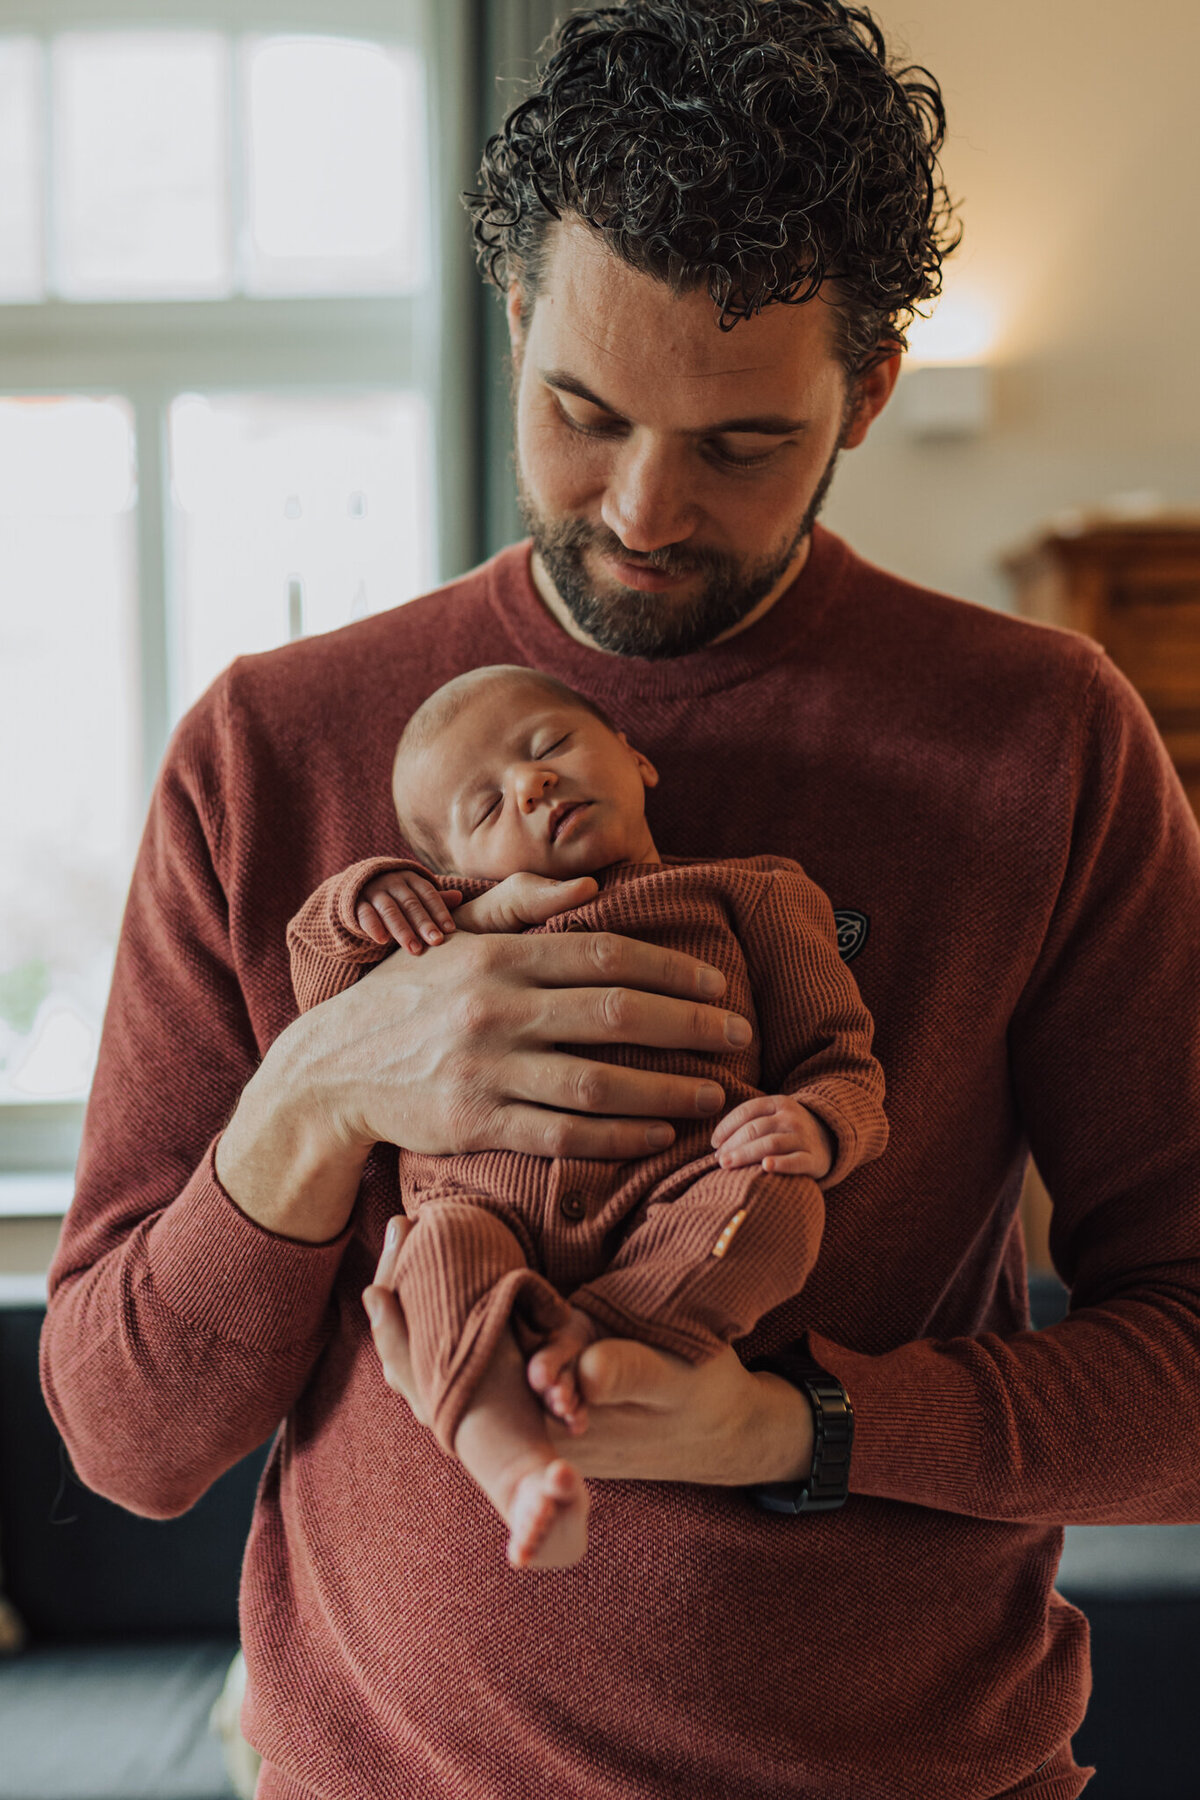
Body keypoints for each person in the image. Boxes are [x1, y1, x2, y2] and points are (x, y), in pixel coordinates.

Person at [39, 3, 1200, 1797]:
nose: (644, 509)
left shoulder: (1045, 743)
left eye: (739, 444)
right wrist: (326, 1087)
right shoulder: (274, 749)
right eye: (584, 412)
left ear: (869, 394)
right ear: (514, 326)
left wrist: (802, 1428)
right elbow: (126, 1435)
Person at [286, 662, 888, 1568]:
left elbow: (841, 1060)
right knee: (426, 1262)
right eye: (486, 808)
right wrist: (362, 901)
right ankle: (515, 1467)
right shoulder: (449, 931)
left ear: (637, 759)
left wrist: (819, 1127)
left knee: (779, 1203)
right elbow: (327, 1014)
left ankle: (610, 1347)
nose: (530, 785)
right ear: (452, 868)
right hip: (482, 1210)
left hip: (686, 1188)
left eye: (549, 747)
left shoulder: (751, 894)